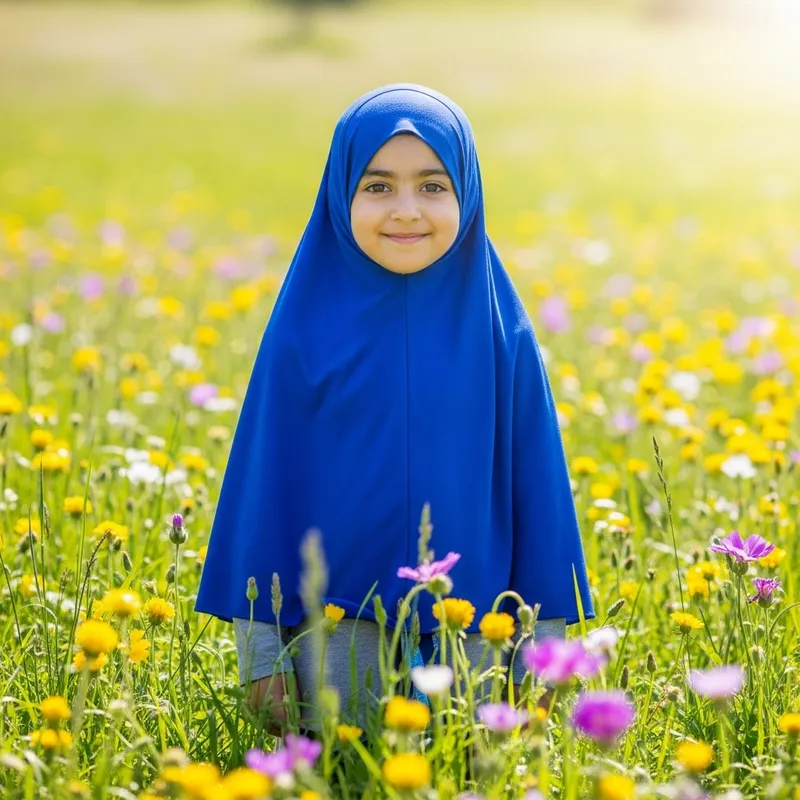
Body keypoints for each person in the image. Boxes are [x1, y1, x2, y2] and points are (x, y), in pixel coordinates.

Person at [194, 83, 596, 737]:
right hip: (334, 645)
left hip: (477, 644)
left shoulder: (504, 337)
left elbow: (541, 504)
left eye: (433, 186)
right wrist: (260, 658)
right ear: (339, 193)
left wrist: (543, 659)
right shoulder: (300, 335)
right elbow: (262, 499)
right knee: (346, 772)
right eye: (378, 186)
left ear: (467, 192)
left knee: (467, 772)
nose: (406, 211)